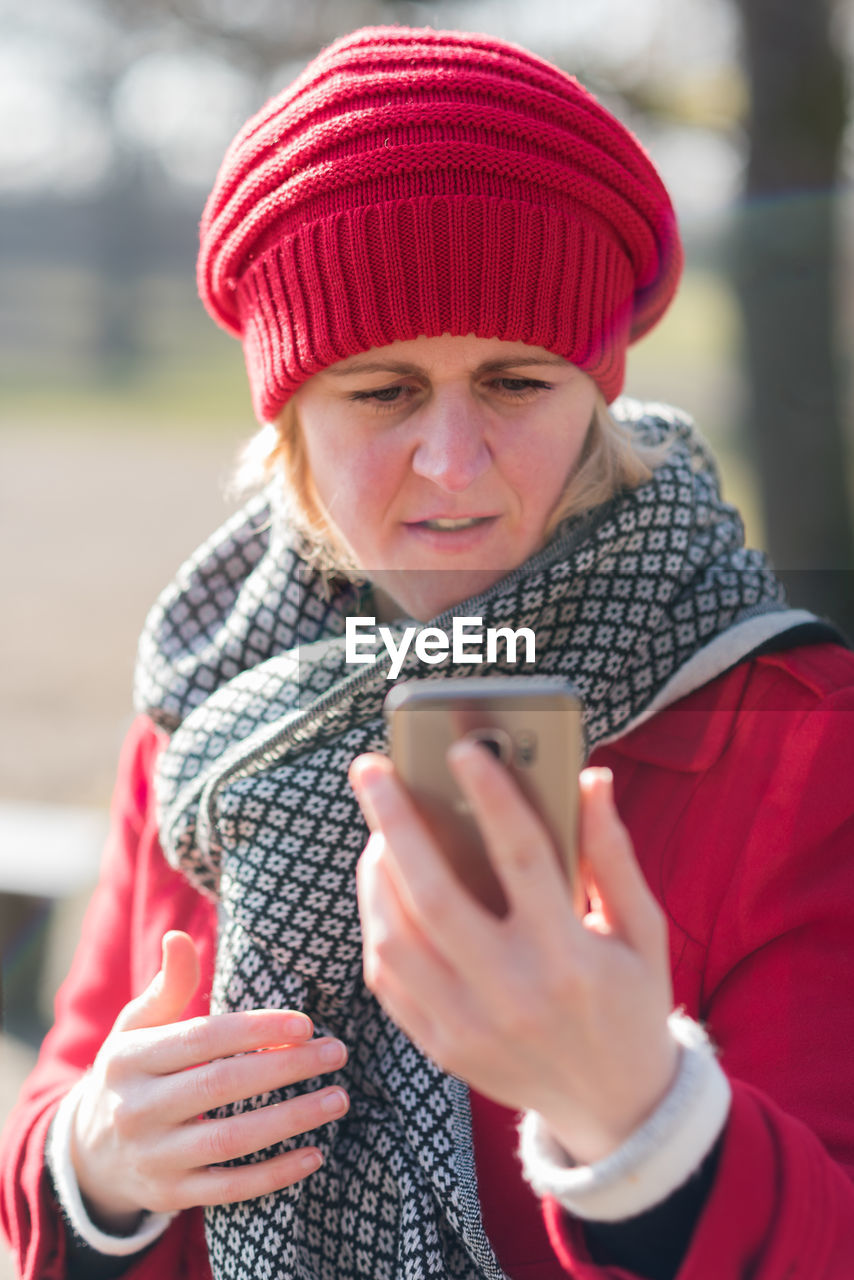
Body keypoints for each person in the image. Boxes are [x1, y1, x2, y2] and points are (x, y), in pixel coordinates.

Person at [2, 24, 854, 1280]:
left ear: (596, 394)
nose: (451, 466)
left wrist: (647, 1118)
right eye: (382, 390)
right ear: (288, 412)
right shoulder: (203, 710)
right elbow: (52, 1128)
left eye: (515, 382)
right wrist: (92, 1163)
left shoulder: (792, 726)